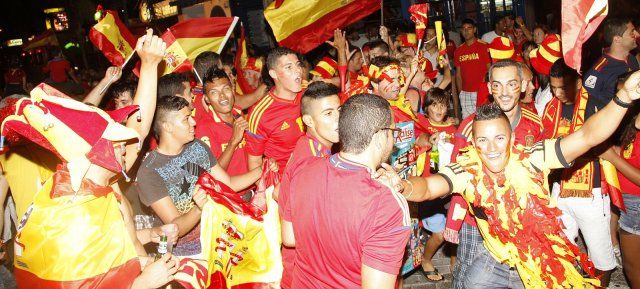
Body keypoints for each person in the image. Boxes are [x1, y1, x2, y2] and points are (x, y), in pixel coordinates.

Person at [393, 68, 640, 287]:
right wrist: (401, 185)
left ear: (512, 139)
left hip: (536, 261)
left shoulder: (535, 157)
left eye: (499, 138)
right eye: (482, 141)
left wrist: (624, 97)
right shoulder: (467, 171)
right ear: (474, 144)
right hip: (492, 262)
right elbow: (427, 187)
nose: (491, 148)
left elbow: (587, 136)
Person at [5, 29, 180, 289]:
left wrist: (150, 64)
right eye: (115, 142)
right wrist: (142, 284)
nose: (125, 146)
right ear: (94, 154)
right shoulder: (73, 213)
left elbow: (138, 131)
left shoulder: (98, 182)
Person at [280, 93, 410, 289]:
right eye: (392, 132)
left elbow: (289, 237)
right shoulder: (386, 205)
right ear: (380, 136)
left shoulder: (304, 169)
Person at [444, 60, 543, 289]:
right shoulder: (471, 126)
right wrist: (454, 221)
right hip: (477, 219)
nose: (505, 93)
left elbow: (543, 177)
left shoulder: (535, 125)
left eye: (512, 85)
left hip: (520, 221)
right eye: (497, 85)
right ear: (489, 88)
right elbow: (458, 175)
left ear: (524, 85)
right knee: (466, 276)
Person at [136, 95, 274, 258]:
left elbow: (227, 183)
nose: (194, 122)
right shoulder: (150, 171)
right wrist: (198, 208)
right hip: (186, 253)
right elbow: (175, 226)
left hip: (219, 238)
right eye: (186, 119)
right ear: (167, 127)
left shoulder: (197, 146)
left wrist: (262, 170)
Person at [542, 59, 618, 286]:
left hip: (590, 190)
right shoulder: (550, 108)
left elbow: (604, 149)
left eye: (562, 87)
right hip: (559, 188)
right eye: (553, 87)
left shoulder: (596, 106)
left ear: (578, 80)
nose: (557, 93)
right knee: (558, 247)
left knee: (600, 256)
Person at [279, 81, 341, 289]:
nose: (338, 119)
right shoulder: (312, 163)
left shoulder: (311, 147)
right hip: (307, 274)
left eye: (339, 111)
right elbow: (292, 237)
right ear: (309, 120)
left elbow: (280, 194)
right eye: (328, 113)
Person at [417, 88, 456, 282]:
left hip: (449, 186)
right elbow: (417, 136)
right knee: (439, 235)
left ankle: (455, 259)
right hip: (428, 187)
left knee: (455, 227)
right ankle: (426, 259)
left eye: (443, 104)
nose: (440, 109)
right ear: (426, 108)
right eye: (434, 105)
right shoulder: (421, 124)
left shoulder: (452, 129)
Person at [246, 47, 305, 176]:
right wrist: (269, 192)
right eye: (289, 67)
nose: (298, 71)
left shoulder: (308, 92)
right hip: (286, 183)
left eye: (298, 65)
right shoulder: (260, 113)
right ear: (273, 74)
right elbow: (254, 162)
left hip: (316, 170)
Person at [454, 18, 491, 119]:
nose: (466, 31)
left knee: (484, 119)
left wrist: (486, 89)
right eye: (464, 28)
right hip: (465, 93)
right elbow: (458, 74)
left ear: (474, 30)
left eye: (469, 28)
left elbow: (489, 70)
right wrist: (460, 92)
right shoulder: (458, 50)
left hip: (482, 92)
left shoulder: (484, 46)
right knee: (467, 121)